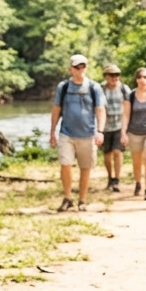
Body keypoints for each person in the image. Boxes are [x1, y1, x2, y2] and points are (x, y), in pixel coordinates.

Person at [49, 54, 106, 213]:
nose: (80, 69)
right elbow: (56, 109)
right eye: (77, 67)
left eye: (83, 66)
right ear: (70, 69)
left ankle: (82, 200)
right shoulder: (63, 87)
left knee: (85, 168)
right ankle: (67, 198)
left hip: (88, 134)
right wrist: (52, 131)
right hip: (66, 133)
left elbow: (100, 110)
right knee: (65, 164)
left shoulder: (94, 87)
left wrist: (100, 131)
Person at [121, 67, 146, 201]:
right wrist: (123, 132)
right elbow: (126, 115)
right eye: (140, 77)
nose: (142, 80)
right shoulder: (130, 95)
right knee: (136, 161)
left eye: (145, 77)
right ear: (136, 79)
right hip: (134, 132)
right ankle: (138, 183)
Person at [99, 63, 131, 192]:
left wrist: (125, 129)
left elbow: (128, 108)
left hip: (119, 125)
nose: (114, 77)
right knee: (107, 153)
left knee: (117, 152)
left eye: (117, 75)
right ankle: (110, 177)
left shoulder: (124, 89)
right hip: (105, 126)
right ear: (106, 76)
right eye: (112, 75)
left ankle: (117, 179)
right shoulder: (101, 89)